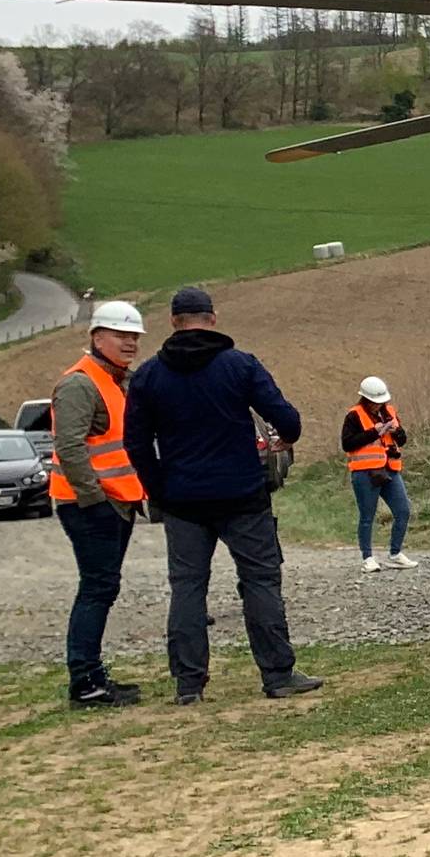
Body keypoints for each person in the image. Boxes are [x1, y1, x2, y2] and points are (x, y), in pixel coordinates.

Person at [124, 286, 322, 703]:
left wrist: (160, 489)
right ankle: (278, 676)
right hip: (243, 496)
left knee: (188, 588)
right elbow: (287, 420)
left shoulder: (148, 376)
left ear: (174, 322)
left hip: (181, 500)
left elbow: (136, 443)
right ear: (212, 318)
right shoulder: (240, 365)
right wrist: (285, 439)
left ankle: (189, 684)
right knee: (260, 581)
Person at [53, 300, 150, 709]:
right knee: (97, 588)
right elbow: (70, 447)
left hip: (115, 501)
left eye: (134, 337)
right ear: (97, 337)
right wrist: (94, 501)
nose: (129, 343)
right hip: (91, 504)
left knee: (102, 587)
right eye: (120, 335)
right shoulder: (80, 383)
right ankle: (85, 682)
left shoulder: (113, 380)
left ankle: (91, 676)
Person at [342, 375, 415, 573]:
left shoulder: (390, 412)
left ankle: (395, 553)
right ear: (366, 399)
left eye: (382, 401)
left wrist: (396, 430)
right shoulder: (353, 415)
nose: (380, 405)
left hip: (390, 469)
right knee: (367, 516)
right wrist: (374, 432)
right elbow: (347, 444)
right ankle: (368, 558)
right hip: (365, 473)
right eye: (376, 402)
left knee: (403, 510)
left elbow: (403, 439)